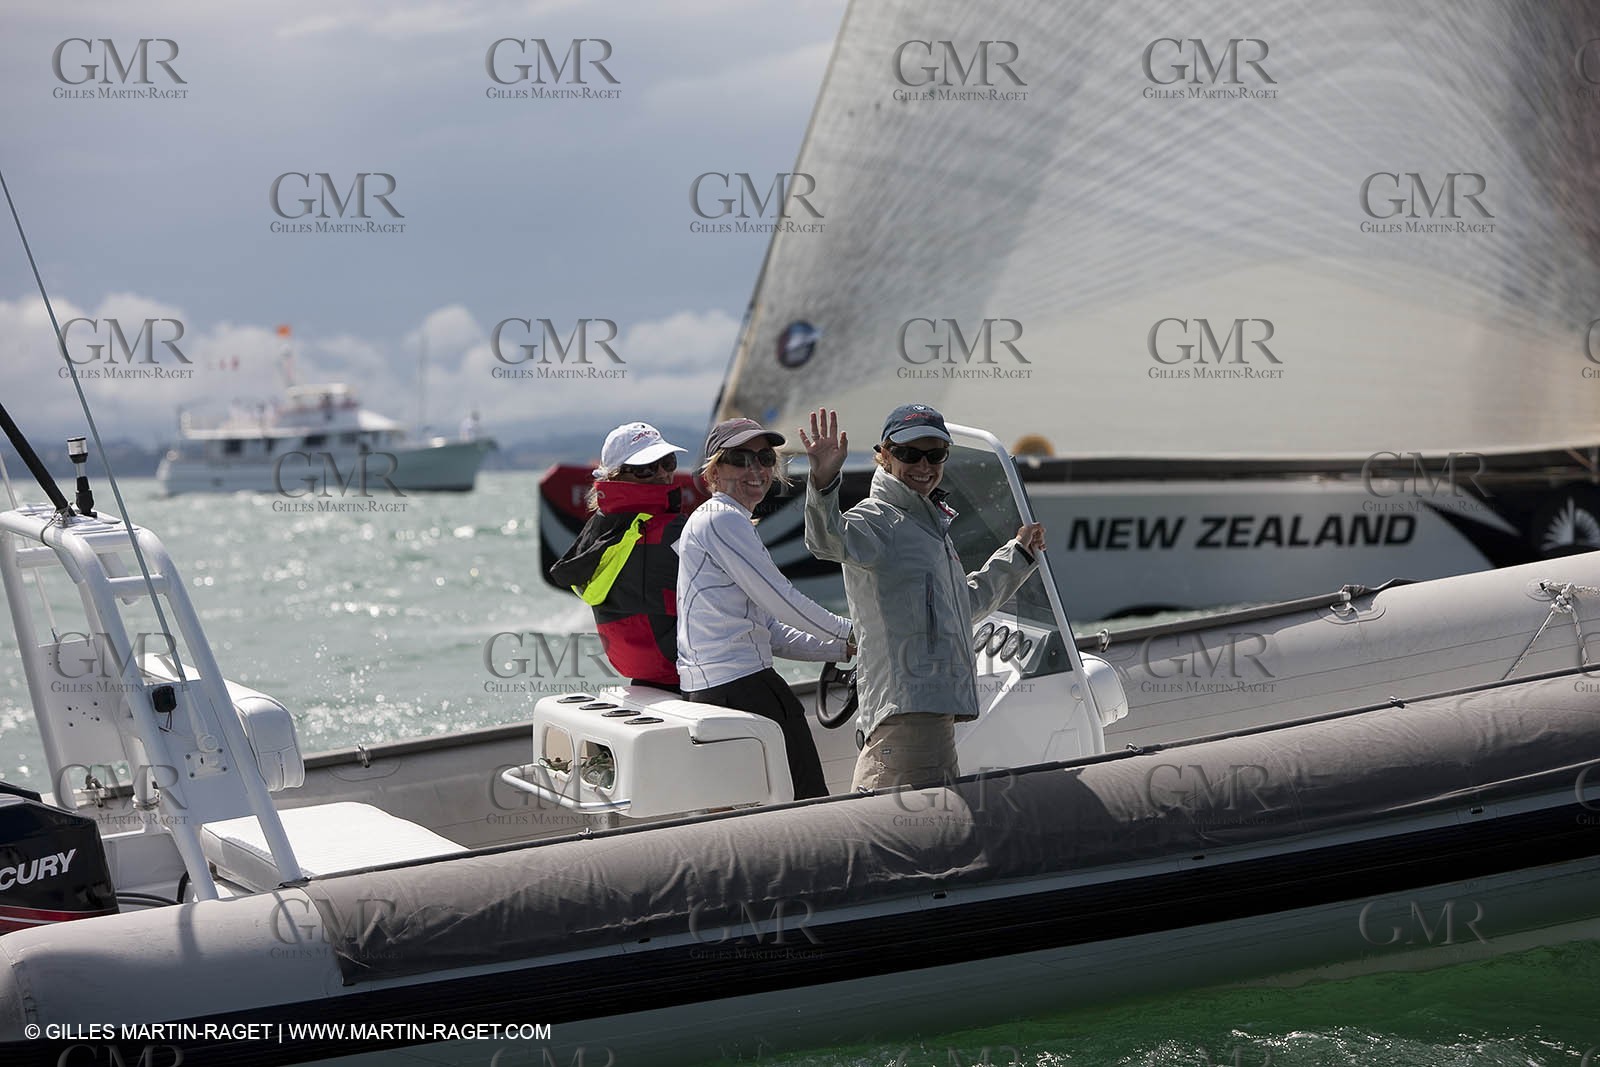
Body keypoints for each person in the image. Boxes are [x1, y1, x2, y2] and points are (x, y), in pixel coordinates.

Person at [801, 404, 1046, 791]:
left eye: (935, 454)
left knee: (934, 838)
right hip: (909, 718)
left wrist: (1018, 556)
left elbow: (963, 605)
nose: (924, 465)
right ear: (883, 455)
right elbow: (826, 540)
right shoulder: (879, 518)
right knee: (896, 839)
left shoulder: (928, 525)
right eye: (909, 453)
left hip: (932, 718)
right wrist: (824, 480)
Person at [676, 417, 855, 800]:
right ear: (715, 469)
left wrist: (843, 648)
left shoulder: (715, 520)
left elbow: (769, 630)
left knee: (754, 813)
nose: (755, 469)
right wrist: (856, 631)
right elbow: (783, 600)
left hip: (716, 693)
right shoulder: (722, 519)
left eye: (764, 457)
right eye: (740, 459)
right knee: (808, 802)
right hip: (744, 690)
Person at [548, 422, 689, 691]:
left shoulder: (598, 528)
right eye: (646, 468)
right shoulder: (672, 530)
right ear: (615, 476)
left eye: (667, 462)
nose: (662, 473)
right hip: (681, 669)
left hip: (636, 669)